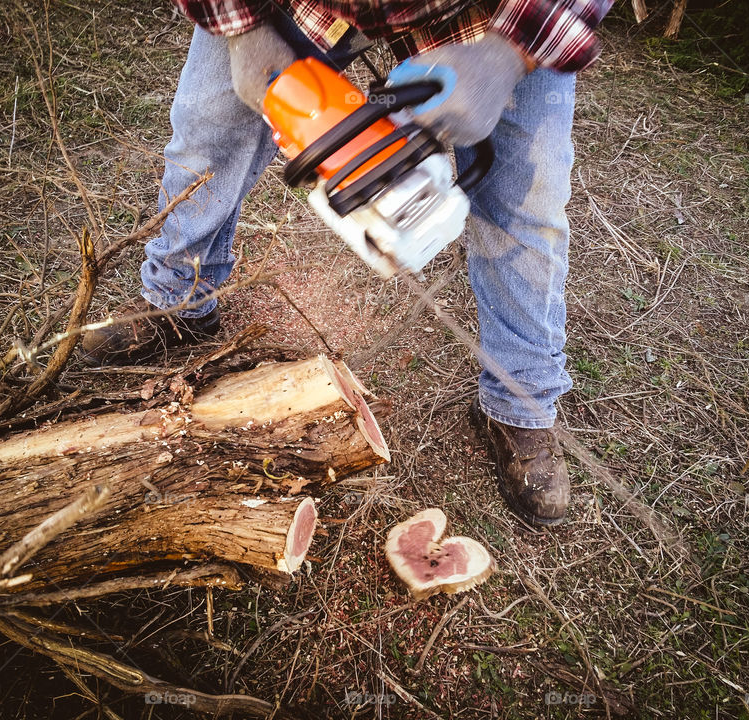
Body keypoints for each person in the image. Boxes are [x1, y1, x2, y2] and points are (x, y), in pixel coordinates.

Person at [80, 0, 612, 526]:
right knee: (209, 130)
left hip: (493, 12)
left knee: (527, 200)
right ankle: (180, 300)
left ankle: (520, 404)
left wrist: (508, 53)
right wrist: (242, 28)